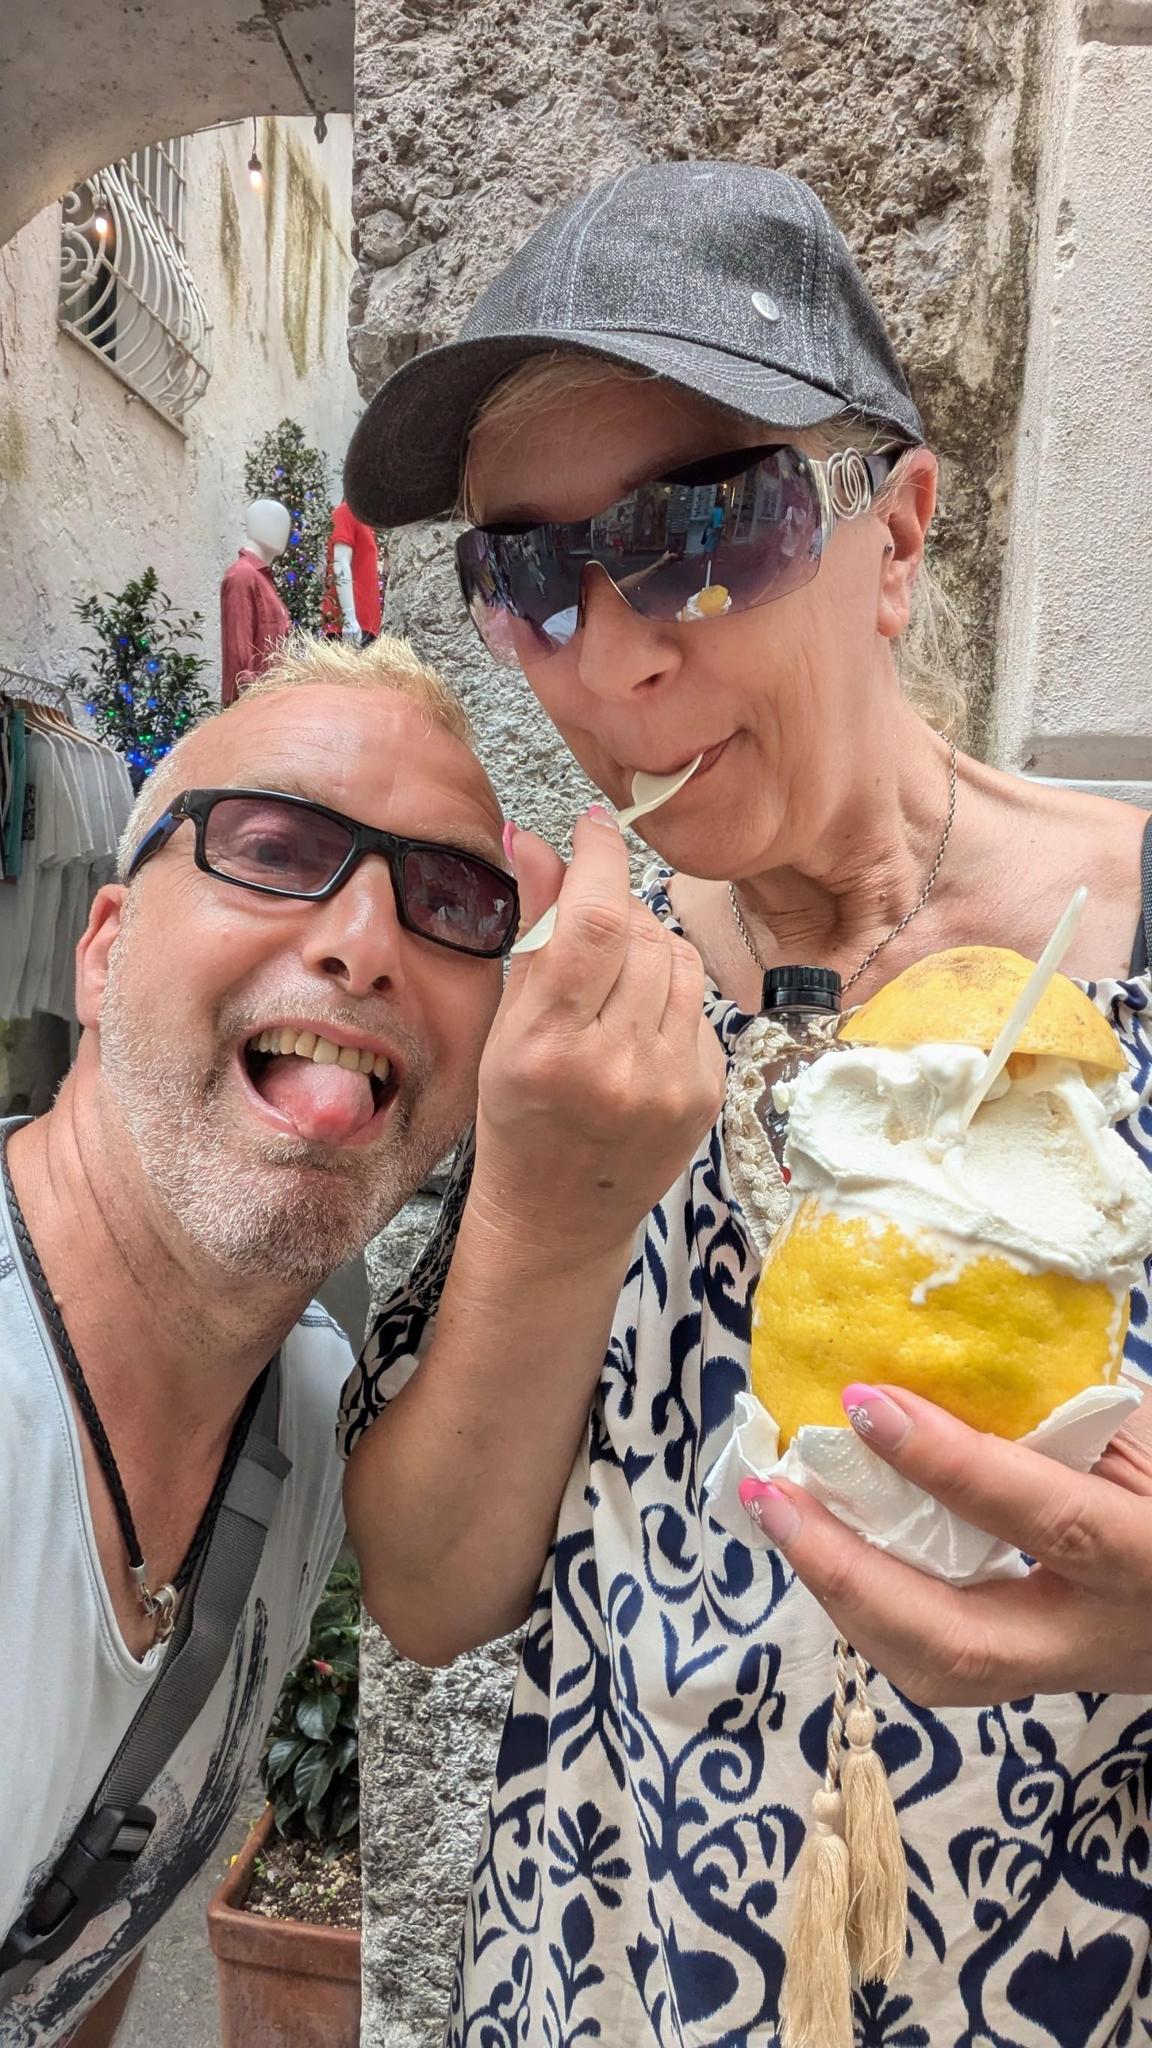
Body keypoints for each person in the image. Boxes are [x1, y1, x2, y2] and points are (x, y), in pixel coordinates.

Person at [340, 162, 1152, 2045]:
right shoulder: (567, 1004)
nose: (613, 652)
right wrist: (545, 1205)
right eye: (526, 572)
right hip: (611, 1972)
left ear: (897, 535)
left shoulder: (1119, 943)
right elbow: (432, 1594)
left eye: (706, 527)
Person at [0, 633, 523, 2047]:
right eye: (275, 849)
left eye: (454, 902)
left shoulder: (305, 1405)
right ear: (102, 949)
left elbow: (87, 1930)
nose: (366, 943)